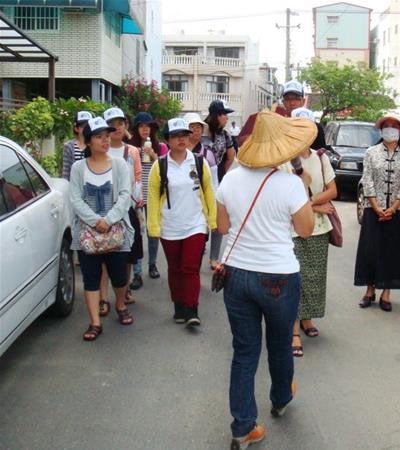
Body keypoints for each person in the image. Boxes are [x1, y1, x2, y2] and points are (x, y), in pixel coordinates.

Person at [216, 110, 315, 449]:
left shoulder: (230, 178)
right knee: (279, 343)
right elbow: (305, 230)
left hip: (237, 275)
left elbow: (224, 227)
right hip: (278, 276)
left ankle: (243, 427)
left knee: (244, 351)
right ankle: (281, 397)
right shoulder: (290, 184)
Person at [69, 117, 134, 341]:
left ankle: (120, 304)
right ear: (88, 141)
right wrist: (96, 220)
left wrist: (109, 219)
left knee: (118, 275)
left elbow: (126, 195)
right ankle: (95, 322)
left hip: (115, 231)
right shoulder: (78, 168)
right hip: (87, 233)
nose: (105, 140)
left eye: (107, 136)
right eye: (99, 137)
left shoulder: (120, 165)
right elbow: (75, 198)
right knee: (90, 277)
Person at [147, 117, 216, 327]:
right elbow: (152, 198)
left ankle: (192, 309)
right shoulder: (160, 166)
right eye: (176, 136)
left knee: (190, 268)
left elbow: (209, 192)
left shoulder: (198, 162)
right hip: (170, 226)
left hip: (195, 224)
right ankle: (179, 307)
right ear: (167, 140)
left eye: (184, 135)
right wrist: (153, 227)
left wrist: (212, 221)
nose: (181, 140)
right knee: (175, 268)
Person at [281, 107, 337, 357]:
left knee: (314, 277)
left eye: (308, 129)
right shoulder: (283, 160)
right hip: (291, 229)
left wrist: (311, 203)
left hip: (319, 228)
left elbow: (332, 190)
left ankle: (307, 319)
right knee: (295, 279)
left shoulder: (321, 157)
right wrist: (317, 205)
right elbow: (284, 196)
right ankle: (293, 330)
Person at [354, 114, 400, 312]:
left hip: (397, 212)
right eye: (386, 126)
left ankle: (387, 292)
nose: (390, 129)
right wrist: (376, 205)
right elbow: (367, 178)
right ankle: (369, 290)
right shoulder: (371, 152)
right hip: (374, 210)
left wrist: (394, 208)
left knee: (392, 252)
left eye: (394, 126)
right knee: (371, 250)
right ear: (380, 130)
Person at [102, 107, 144, 307]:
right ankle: (102, 297)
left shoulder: (132, 151)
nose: (117, 128)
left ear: (126, 126)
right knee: (102, 253)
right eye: (112, 124)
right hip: (102, 208)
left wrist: (138, 200)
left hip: (127, 209)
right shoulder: (99, 149)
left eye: (120, 123)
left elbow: (137, 178)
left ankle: (124, 288)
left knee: (127, 253)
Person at [129, 112, 168, 280]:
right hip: (136, 196)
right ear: (136, 129)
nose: (145, 129)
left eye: (148, 126)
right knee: (136, 234)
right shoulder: (129, 148)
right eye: (141, 126)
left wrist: (153, 155)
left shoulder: (160, 147)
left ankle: (152, 264)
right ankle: (136, 272)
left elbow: (166, 171)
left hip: (153, 195)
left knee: (153, 231)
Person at [202, 99, 236, 269]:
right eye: (224, 115)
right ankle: (198, 245)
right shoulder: (201, 132)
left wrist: (222, 174)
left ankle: (214, 257)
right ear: (217, 115)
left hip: (217, 183)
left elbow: (231, 156)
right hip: (198, 182)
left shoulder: (225, 135)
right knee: (200, 219)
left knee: (217, 219)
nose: (227, 119)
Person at [62, 110, 93, 181]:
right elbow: (66, 170)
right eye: (84, 126)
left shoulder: (95, 144)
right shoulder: (69, 146)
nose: (87, 128)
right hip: (75, 184)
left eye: (89, 126)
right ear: (76, 128)